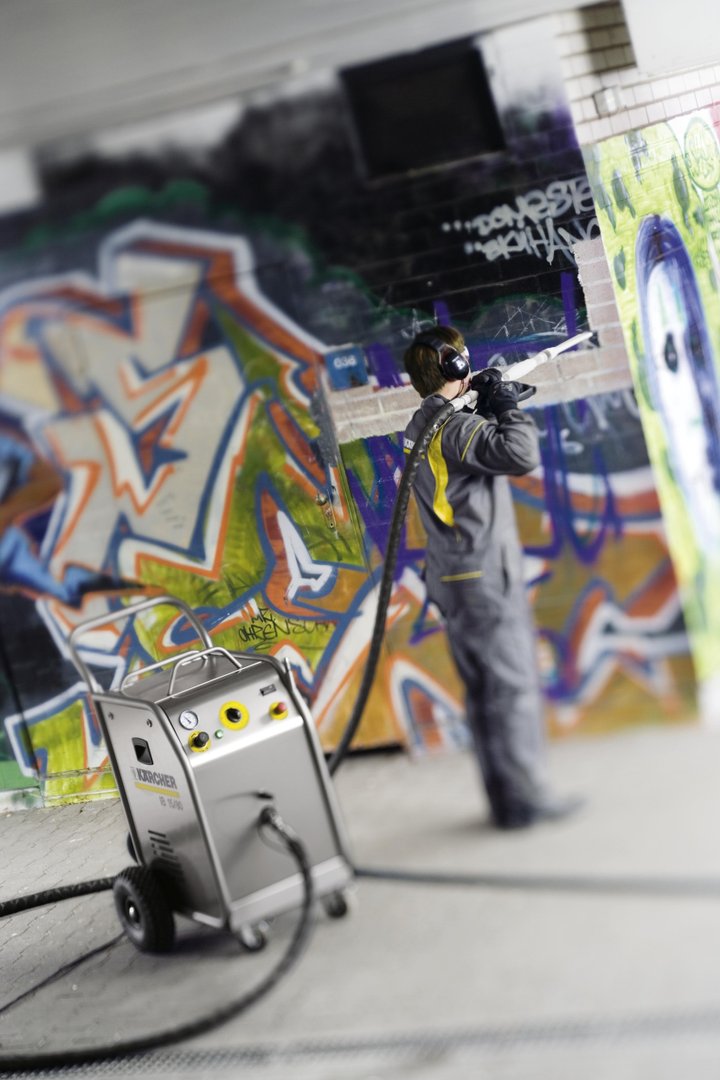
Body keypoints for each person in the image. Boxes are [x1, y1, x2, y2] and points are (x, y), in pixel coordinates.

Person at [402, 325, 583, 830]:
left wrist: (494, 401)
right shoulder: (456, 430)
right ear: (456, 366)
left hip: (453, 578)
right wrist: (503, 405)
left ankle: (505, 800)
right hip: (483, 578)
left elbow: (469, 452)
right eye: (464, 357)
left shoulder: (423, 424)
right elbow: (520, 453)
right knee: (513, 686)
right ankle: (529, 798)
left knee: (485, 693)